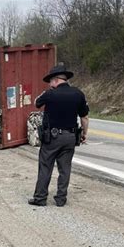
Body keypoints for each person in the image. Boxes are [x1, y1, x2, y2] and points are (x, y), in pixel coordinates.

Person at [28, 65, 89, 207]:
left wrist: (47, 92)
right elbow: (84, 117)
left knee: (45, 167)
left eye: (50, 81)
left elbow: (36, 103)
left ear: (55, 80)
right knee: (65, 168)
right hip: (70, 137)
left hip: (52, 138)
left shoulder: (49, 94)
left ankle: (40, 198)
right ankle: (61, 199)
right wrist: (84, 134)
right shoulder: (78, 93)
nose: (49, 84)